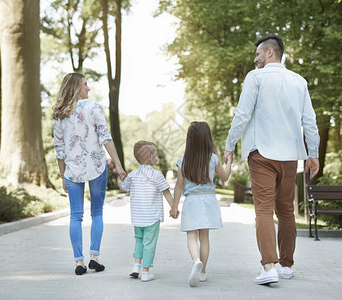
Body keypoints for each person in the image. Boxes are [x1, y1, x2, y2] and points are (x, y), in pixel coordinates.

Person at [224, 34, 320, 285]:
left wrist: (229, 145)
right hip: (290, 157)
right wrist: (313, 154)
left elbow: (242, 114)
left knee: (264, 210)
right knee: (287, 210)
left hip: (262, 154)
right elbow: (309, 121)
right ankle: (286, 265)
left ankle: (269, 267)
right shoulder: (299, 81)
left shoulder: (255, 77)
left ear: (270, 53)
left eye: (257, 54)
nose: (254, 59)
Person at [53, 73, 126, 275]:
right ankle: (94, 257)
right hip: (97, 167)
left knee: (75, 216)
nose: (89, 88)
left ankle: (79, 262)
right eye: (86, 84)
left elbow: (59, 149)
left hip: (72, 170)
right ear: (76, 87)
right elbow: (106, 138)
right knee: (97, 213)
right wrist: (118, 165)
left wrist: (62, 176)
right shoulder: (93, 107)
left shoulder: (59, 113)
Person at [171, 121, 233, 287]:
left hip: (191, 201)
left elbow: (178, 185)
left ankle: (195, 260)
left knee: (191, 235)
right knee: (204, 237)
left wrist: (174, 206)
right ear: (208, 139)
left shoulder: (183, 161)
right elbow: (225, 176)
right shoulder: (213, 159)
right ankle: (203, 271)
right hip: (208, 200)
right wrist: (229, 162)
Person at [117, 141, 177, 282]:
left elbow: (123, 187)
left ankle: (136, 266)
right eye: (156, 155)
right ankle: (146, 271)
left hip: (138, 217)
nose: (157, 157)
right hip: (152, 217)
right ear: (150, 157)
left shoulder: (132, 175)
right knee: (149, 243)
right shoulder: (157, 175)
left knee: (139, 240)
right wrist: (174, 208)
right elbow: (167, 193)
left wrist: (119, 179)